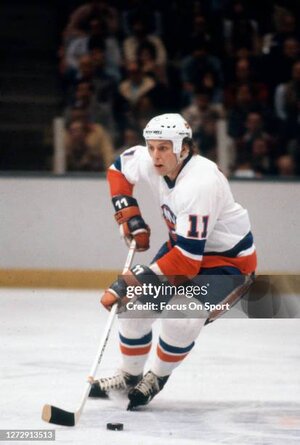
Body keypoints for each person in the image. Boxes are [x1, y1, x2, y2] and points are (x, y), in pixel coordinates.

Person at [89, 113, 257, 409]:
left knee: (182, 316)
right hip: (182, 250)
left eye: (164, 148)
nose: (155, 156)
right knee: (133, 310)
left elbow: (189, 263)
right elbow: (118, 168)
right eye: (151, 147)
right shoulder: (152, 160)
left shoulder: (200, 183)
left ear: (183, 147)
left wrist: (132, 279)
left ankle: (157, 376)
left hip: (227, 265)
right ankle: (129, 375)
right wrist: (129, 214)